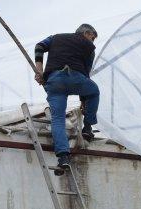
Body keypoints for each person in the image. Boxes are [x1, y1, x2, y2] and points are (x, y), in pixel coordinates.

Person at [33, 24, 99, 175]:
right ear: (86, 33)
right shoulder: (89, 47)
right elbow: (86, 74)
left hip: (54, 82)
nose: (92, 41)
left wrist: (39, 71)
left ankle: (63, 157)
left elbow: (39, 46)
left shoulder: (55, 38)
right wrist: (84, 101)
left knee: (57, 119)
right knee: (94, 92)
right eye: (92, 37)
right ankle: (88, 128)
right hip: (75, 78)